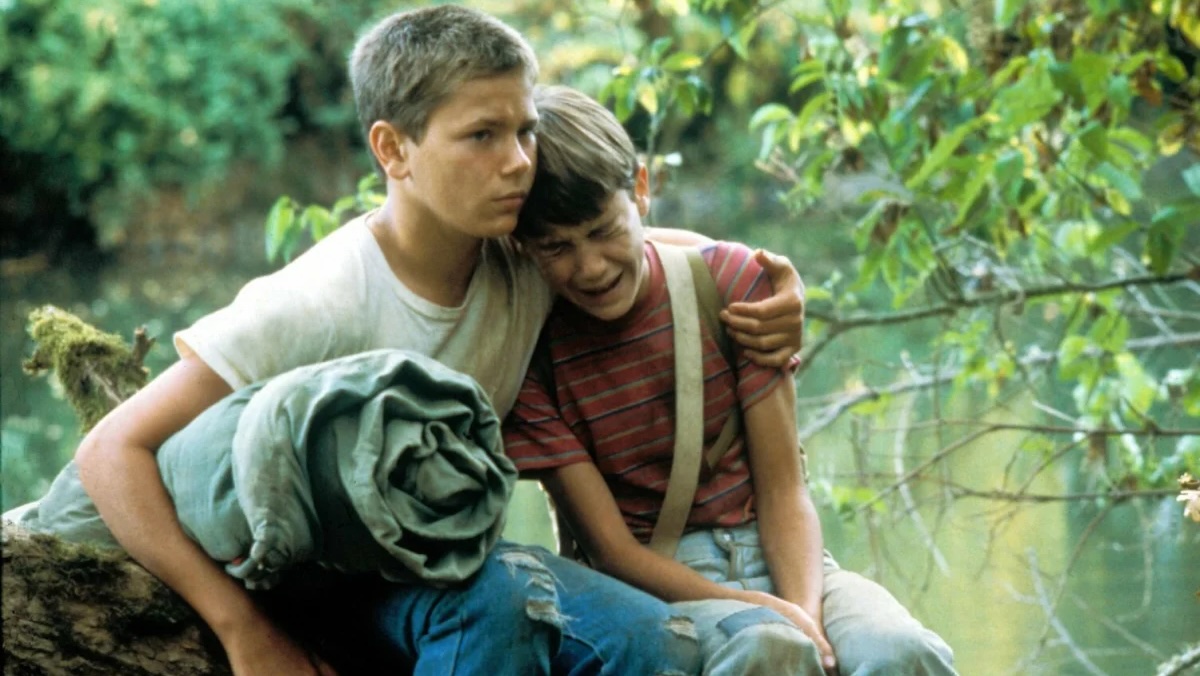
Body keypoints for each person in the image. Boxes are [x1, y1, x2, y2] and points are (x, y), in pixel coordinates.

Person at [72, 6, 806, 675]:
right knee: (500, 598)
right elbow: (111, 450)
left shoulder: (521, 262)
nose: (518, 161)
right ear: (393, 149)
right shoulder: (321, 300)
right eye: (482, 135)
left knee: (671, 644)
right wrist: (243, 632)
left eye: (524, 130)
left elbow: (631, 247)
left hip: (414, 561)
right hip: (282, 575)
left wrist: (767, 279)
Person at [503, 84, 959, 676]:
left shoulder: (730, 286)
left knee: (899, 650)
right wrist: (769, 615)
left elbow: (783, 490)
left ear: (640, 189)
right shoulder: (529, 350)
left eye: (603, 230)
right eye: (556, 247)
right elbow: (611, 551)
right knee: (765, 645)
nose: (589, 267)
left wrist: (803, 613)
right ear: (522, 246)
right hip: (657, 587)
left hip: (786, 557)